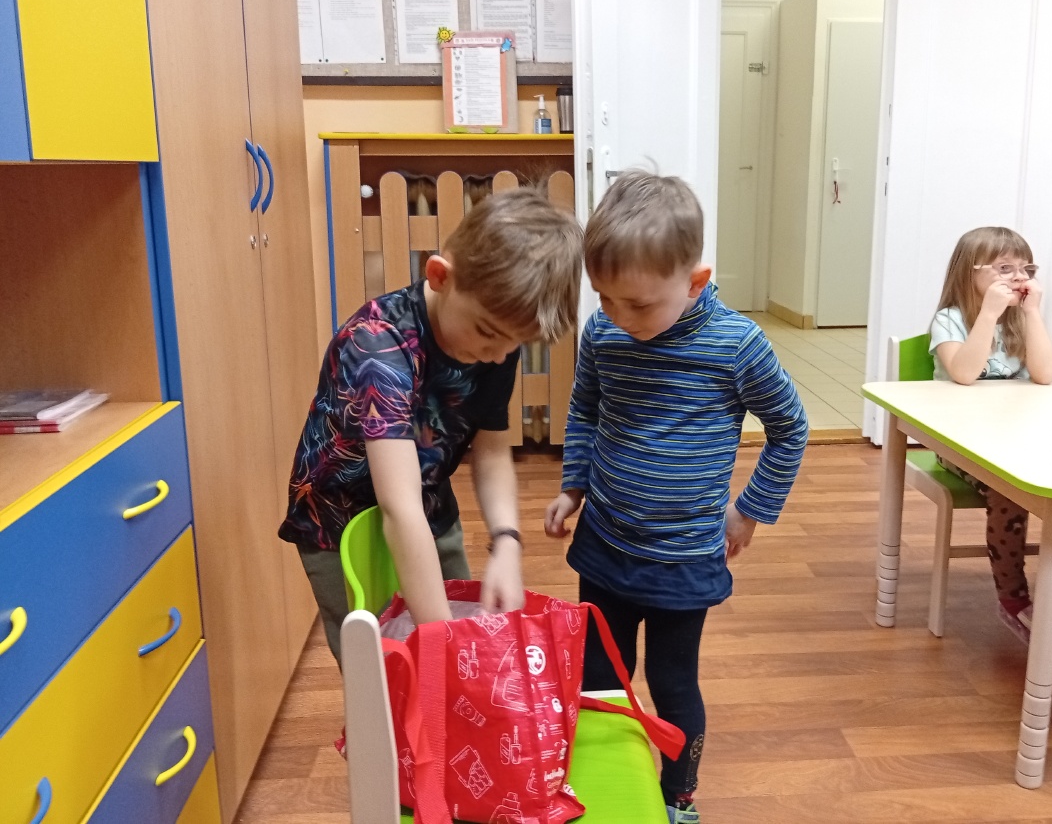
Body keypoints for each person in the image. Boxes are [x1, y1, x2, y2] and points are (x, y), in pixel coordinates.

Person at [544, 172, 808, 824]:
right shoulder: (604, 332)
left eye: (637, 303)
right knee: (600, 680)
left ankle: (676, 795)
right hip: (604, 546)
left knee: (672, 684)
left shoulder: (736, 345)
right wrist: (573, 485)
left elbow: (789, 427)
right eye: (604, 298)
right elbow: (585, 408)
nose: (617, 316)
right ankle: (608, 783)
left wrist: (749, 511)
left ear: (694, 282)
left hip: (683, 559)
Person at [279, 188, 583, 664]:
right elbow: (398, 509)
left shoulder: (494, 340)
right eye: (489, 334)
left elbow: (491, 452)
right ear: (440, 276)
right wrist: (444, 644)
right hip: (339, 527)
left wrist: (507, 541)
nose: (499, 355)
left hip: (428, 505)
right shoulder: (376, 345)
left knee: (458, 650)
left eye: (514, 344)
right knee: (381, 671)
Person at [929, 225, 1052, 643]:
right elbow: (964, 373)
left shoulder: (1020, 320)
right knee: (1008, 494)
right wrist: (988, 315)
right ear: (970, 273)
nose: (1018, 277)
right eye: (1004, 268)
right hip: (961, 445)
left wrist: (1032, 314)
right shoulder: (950, 320)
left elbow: (1045, 375)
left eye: (1024, 268)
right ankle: (1013, 600)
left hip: (1016, 439)